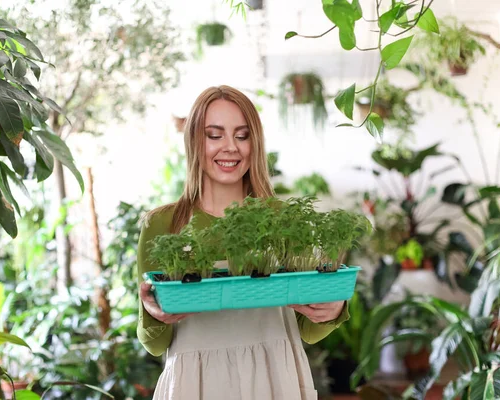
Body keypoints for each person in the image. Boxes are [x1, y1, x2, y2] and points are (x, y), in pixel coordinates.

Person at [137, 85, 349, 400]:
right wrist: (154, 314)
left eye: (242, 135)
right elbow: (153, 342)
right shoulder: (162, 225)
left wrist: (332, 308)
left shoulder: (284, 220)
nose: (230, 148)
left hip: (275, 378)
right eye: (214, 135)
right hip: (194, 384)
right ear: (195, 141)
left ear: (255, 143)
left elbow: (310, 329)